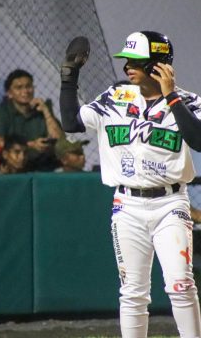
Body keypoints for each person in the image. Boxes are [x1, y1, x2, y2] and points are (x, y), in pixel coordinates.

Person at [59, 31, 201, 337]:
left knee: (180, 284)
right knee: (133, 291)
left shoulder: (187, 101)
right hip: (128, 205)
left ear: (160, 65)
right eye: (127, 60)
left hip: (170, 203)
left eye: (137, 61)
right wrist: (69, 78)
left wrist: (171, 95)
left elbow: (199, 139)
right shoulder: (116, 96)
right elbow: (71, 122)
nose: (127, 66)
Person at [0, 68, 64, 172]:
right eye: (19, 88)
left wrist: (46, 112)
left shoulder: (41, 111)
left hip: (44, 165)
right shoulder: (2, 115)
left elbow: (60, 139)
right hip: (14, 168)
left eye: (28, 86)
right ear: (9, 93)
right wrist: (31, 145)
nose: (25, 91)